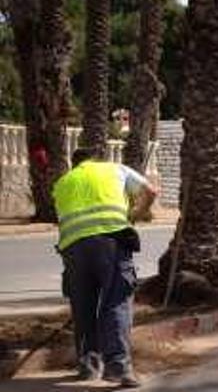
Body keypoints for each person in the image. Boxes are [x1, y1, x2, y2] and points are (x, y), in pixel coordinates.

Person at [53, 147, 157, 387]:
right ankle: (118, 367)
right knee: (115, 301)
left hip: (72, 249)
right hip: (111, 241)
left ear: (74, 165)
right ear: (96, 160)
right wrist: (136, 213)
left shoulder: (62, 183)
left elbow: (64, 218)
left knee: (83, 307)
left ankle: (88, 367)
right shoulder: (113, 169)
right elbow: (151, 191)